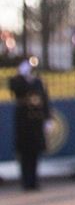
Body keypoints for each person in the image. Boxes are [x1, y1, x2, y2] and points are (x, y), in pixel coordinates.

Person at [8, 57, 49, 190]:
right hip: (23, 121)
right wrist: (21, 75)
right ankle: (26, 181)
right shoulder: (17, 80)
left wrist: (47, 119)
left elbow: (45, 99)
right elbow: (15, 89)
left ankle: (34, 180)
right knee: (25, 153)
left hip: (36, 120)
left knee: (35, 152)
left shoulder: (38, 81)